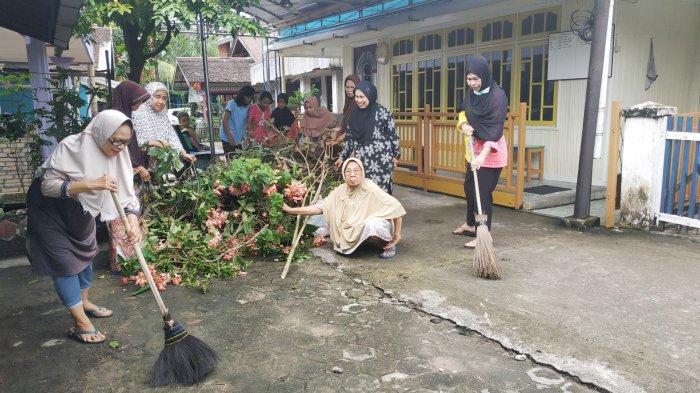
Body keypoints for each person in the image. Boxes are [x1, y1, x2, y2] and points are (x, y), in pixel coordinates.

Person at [26, 110, 142, 343]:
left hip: (81, 210)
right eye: (116, 140)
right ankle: (80, 322)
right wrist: (91, 184)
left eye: (126, 142)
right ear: (101, 133)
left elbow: (127, 194)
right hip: (51, 211)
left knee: (87, 253)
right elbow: (47, 187)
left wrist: (132, 220)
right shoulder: (72, 146)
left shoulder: (119, 154)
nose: (120, 146)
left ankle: (84, 301)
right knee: (65, 263)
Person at [283, 158, 405, 258]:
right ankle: (347, 237)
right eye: (348, 171)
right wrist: (291, 210)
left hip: (372, 223)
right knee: (325, 206)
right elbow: (319, 208)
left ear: (362, 173)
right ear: (343, 174)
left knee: (373, 224)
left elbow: (396, 207)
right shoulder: (340, 191)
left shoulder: (369, 188)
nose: (352, 174)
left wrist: (396, 236)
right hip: (353, 226)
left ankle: (388, 244)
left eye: (356, 171)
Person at [451, 55, 508, 249]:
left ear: (484, 75)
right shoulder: (471, 94)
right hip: (473, 150)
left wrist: (482, 157)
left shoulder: (498, 96)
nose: (472, 83)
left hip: (490, 153)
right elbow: (462, 112)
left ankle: (485, 233)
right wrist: (463, 124)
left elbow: (494, 131)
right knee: (469, 189)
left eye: (476, 79)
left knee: (482, 194)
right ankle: (470, 224)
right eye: (469, 79)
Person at [108, 81, 150, 273]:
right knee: (119, 221)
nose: (138, 106)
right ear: (126, 99)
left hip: (127, 178)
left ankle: (130, 261)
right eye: (136, 102)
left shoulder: (126, 118)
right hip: (115, 180)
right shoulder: (113, 124)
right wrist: (136, 168)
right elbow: (115, 156)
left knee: (129, 219)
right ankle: (122, 263)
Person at [336, 81, 400, 194]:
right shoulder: (354, 114)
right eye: (356, 97)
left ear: (370, 96)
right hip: (361, 161)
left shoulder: (382, 112)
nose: (359, 100)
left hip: (381, 161)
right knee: (363, 192)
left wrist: (396, 155)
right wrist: (342, 157)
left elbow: (393, 135)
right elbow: (350, 139)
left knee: (380, 193)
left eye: (362, 97)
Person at [131, 82, 196, 165]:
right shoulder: (137, 114)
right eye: (157, 97)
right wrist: (156, 143)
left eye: (164, 98)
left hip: (163, 165)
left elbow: (172, 137)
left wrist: (183, 153)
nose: (161, 101)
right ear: (148, 96)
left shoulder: (163, 115)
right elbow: (132, 141)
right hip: (142, 164)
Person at [111, 80, 151, 183]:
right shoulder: (116, 121)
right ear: (128, 97)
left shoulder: (124, 116)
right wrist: (136, 166)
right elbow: (120, 148)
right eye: (138, 101)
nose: (140, 104)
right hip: (120, 175)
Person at [220, 85, 255, 154]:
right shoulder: (232, 103)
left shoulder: (249, 106)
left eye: (251, 98)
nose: (250, 100)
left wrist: (247, 138)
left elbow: (247, 124)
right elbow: (224, 121)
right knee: (231, 160)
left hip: (239, 138)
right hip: (227, 137)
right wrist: (230, 137)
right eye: (248, 97)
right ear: (243, 95)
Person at [327, 75, 360, 146]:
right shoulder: (348, 103)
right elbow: (347, 123)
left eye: (352, 87)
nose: (349, 90)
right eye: (347, 87)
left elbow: (354, 128)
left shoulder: (359, 104)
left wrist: (338, 140)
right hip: (346, 140)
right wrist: (339, 128)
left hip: (356, 142)